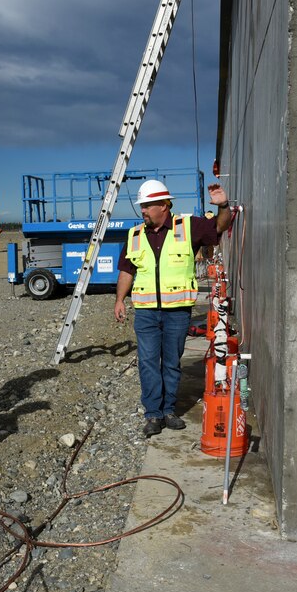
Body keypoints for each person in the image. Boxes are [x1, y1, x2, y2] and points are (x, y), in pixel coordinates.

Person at [114, 179, 234, 437]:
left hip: (177, 312)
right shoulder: (134, 235)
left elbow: (219, 226)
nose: (142, 211)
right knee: (147, 362)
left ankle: (168, 410)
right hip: (145, 312)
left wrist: (223, 204)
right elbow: (127, 270)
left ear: (163, 206)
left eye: (147, 206)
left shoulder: (188, 226)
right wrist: (119, 300)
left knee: (170, 361)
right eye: (142, 206)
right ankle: (153, 414)